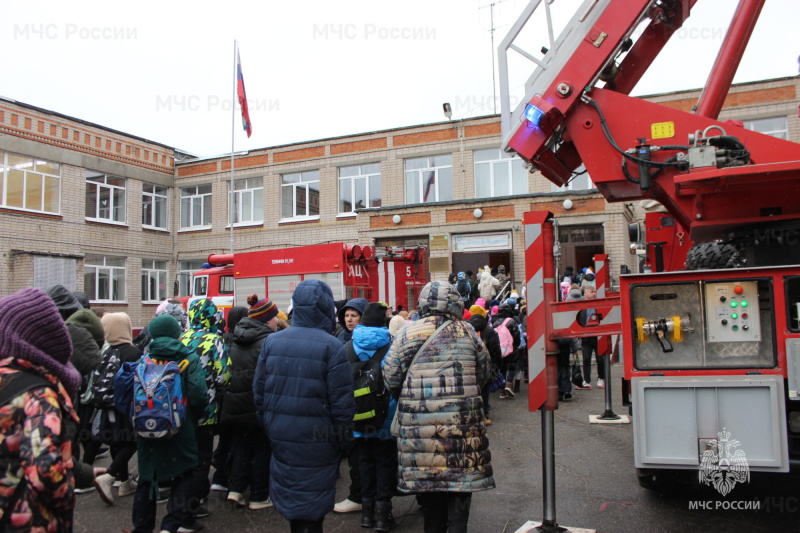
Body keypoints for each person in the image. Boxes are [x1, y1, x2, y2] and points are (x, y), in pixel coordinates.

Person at [383, 281, 495, 533]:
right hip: (462, 428)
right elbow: (484, 373)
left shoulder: (407, 334)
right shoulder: (466, 332)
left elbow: (390, 375)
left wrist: (409, 395)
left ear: (423, 304)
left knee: (430, 484)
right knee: (460, 484)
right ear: (456, 303)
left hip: (419, 430)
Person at [253, 279, 355, 533]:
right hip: (319, 441)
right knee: (312, 507)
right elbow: (342, 405)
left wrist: (271, 428)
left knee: (294, 502)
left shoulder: (272, 342)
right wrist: (342, 443)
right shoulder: (332, 346)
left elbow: (259, 394)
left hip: (282, 436)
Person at [0, 288, 103, 532]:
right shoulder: (39, 394)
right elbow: (46, 469)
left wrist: (82, 472)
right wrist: (64, 502)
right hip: (29, 522)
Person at [121, 314, 209, 533]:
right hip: (179, 427)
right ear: (176, 333)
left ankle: (142, 527)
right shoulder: (188, 358)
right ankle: (171, 525)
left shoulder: (144, 359)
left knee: (147, 477)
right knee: (184, 473)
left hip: (146, 427)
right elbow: (199, 395)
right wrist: (193, 416)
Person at [220, 296, 280, 510]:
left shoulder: (236, 337)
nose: (276, 321)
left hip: (235, 405)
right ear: (266, 319)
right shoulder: (269, 342)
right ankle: (259, 496)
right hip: (258, 405)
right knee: (262, 449)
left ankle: (235, 489)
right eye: (274, 316)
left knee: (241, 446)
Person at [344, 302, 397, 531]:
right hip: (386, 416)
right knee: (385, 464)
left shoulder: (349, 347)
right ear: (383, 322)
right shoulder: (392, 346)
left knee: (364, 462)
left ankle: (366, 514)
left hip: (359, 415)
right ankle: (383, 516)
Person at [180, 298, 232, 522]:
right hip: (206, 407)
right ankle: (195, 502)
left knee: (186, 455)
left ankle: (183, 497)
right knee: (203, 456)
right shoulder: (214, 340)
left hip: (181, 407)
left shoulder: (181, 338)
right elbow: (224, 376)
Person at [92, 312, 142, 505]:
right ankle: (110, 475)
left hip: (105, 406)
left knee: (116, 442)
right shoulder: (132, 352)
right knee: (132, 441)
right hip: (125, 407)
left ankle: (123, 482)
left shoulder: (105, 352)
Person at [333, 297, 368, 513]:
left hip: (366, 401)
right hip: (349, 402)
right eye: (346, 315)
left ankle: (364, 497)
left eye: (354, 315)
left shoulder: (368, 340)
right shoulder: (339, 339)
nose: (349, 319)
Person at [469, 304, 501, 425]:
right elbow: (495, 349)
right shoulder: (489, 330)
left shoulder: (466, 328)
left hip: (470, 363)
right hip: (486, 363)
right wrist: (498, 363)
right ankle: (484, 413)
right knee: (484, 388)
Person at [577, 286, 605, 390]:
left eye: (594, 292)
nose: (594, 293)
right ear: (585, 294)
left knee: (600, 359)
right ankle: (587, 380)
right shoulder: (582, 306)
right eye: (591, 292)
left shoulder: (598, 305)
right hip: (586, 337)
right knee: (586, 359)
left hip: (597, 336)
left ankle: (601, 378)